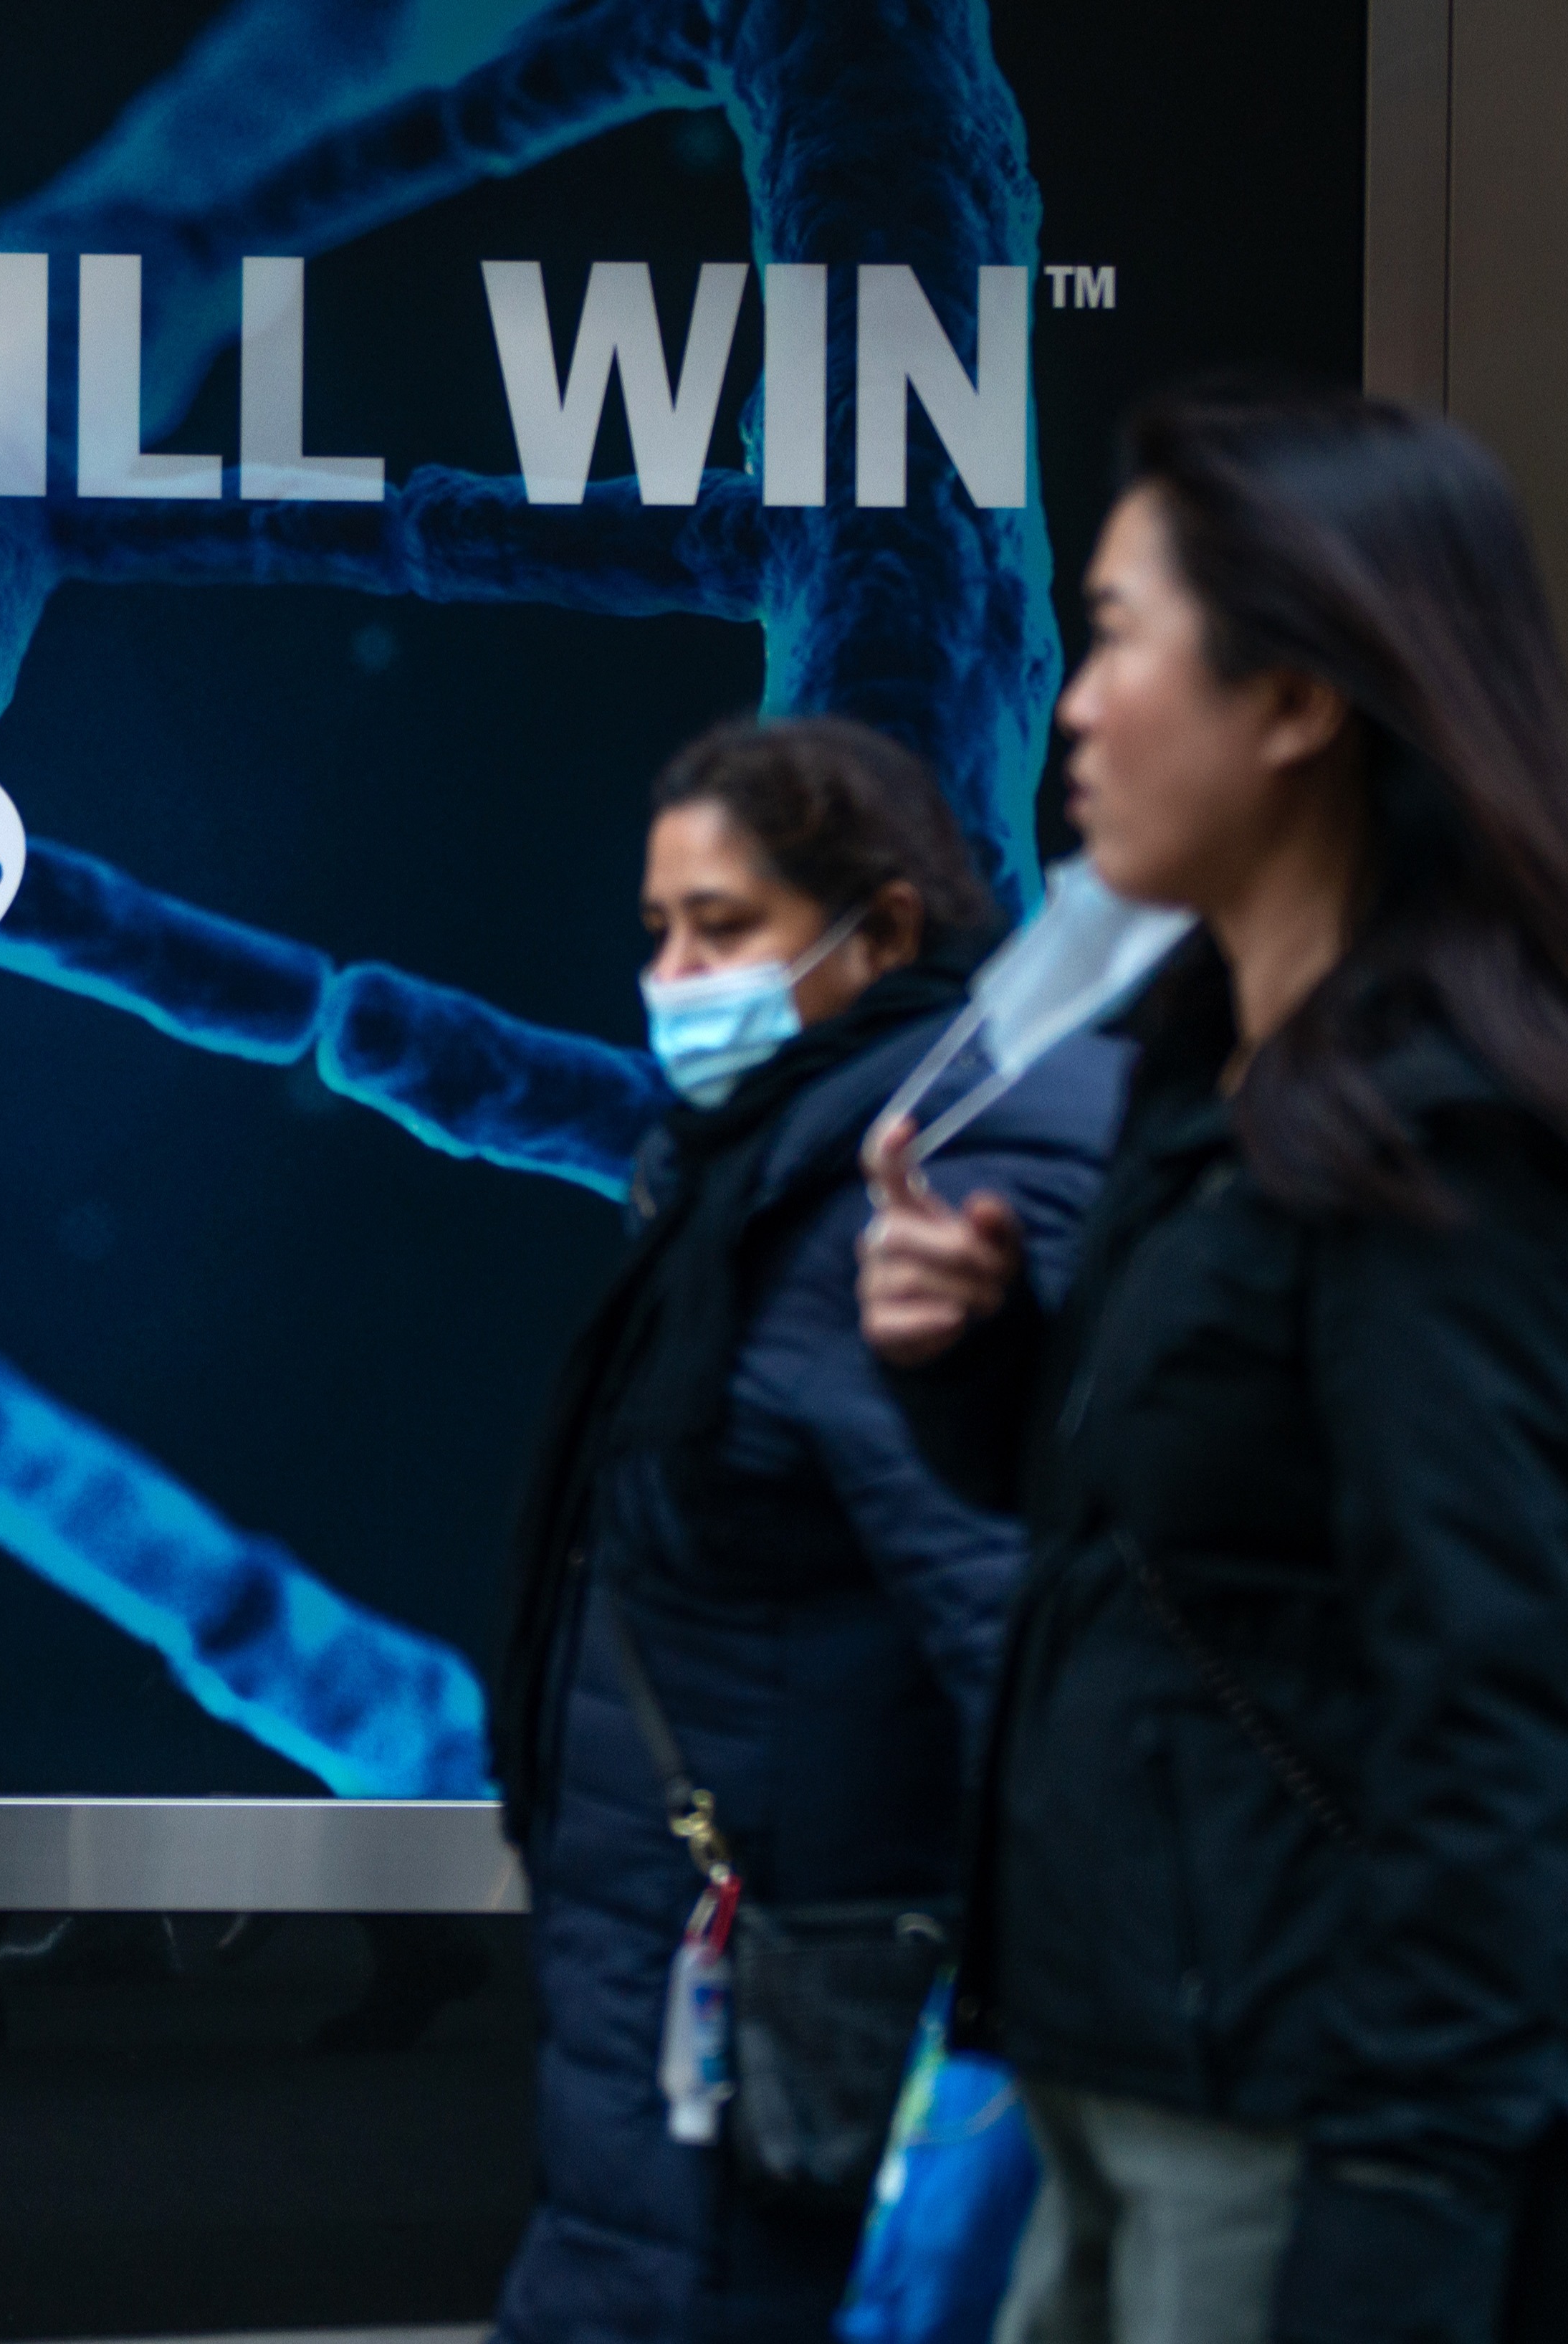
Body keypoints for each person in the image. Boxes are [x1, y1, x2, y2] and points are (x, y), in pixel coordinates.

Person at [856, 386, 1568, 2344]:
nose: (1073, 699)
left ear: (1293, 699)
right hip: (1124, 2060)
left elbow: (1480, 1714)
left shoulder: (1447, 1146)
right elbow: (1166, 1547)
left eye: (1120, 631)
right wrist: (978, 1354)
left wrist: (1398, 2205)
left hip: (1308, 2123)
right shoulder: (1221, 1077)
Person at [494, 720, 1119, 2344]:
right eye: (662, 931)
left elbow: (1016, 1640)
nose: (681, 973)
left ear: (886, 930)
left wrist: (1026, 2037)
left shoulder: (901, 1201)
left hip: (800, 2016)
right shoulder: (747, 1180)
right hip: (692, 2004)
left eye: (730, 926)